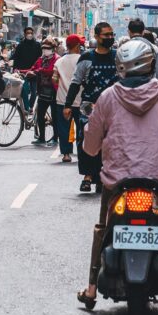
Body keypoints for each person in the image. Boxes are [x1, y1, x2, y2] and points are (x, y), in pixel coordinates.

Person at [77, 38, 158, 311]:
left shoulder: (108, 97)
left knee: (103, 227)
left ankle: (90, 289)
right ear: (151, 65)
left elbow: (90, 147)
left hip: (118, 177)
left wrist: (92, 146)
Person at [64, 22, 118, 193]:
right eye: (106, 35)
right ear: (96, 37)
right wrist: (67, 105)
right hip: (88, 106)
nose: (109, 38)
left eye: (111, 35)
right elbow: (75, 82)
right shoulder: (86, 58)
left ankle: (104, 175)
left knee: (110, 141)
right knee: (86, 139)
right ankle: (88, 175)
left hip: (113, 107)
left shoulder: (118, 57)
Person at [54, 34, 83, 162]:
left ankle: (66, 154)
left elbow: (54, 79)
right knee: (82, 128)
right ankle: (82, 153)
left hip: (62, 100)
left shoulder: (59, 61)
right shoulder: (83, 60)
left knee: (63, 128)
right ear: (77, 46)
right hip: (80, 100)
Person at [29, 39, 58, 147]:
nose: (45, 50)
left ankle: (55, 138)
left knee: (55, 116)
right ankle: (42, 137)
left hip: (54, 91)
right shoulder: (41, 59)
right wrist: (27, 72)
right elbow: (33, 68)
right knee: (40, 115)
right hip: (42, 90)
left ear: (53, 49)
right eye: (44, 48)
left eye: (48, 48)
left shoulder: (57, 59)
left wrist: (39, 71)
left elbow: (51, 71)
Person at [127, 17, 158, 83]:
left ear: (129, 31)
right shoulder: (153, 48)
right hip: (150, 89)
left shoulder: (123, 48)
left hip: (129, 89)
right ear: (143, 32)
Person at [12, 27, 41, 111]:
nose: (30, 34)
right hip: (22, 72)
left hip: (34, 72)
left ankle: (30, 107)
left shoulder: (37, 45)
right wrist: (14, 69)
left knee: (34, 93)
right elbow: (16, 58)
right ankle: (27, 108)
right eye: (28, 33)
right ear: (24, 34)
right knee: (24, 90)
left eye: (31, 33)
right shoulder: (20, 45)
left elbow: (40, 58)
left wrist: (38, 69)